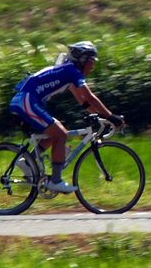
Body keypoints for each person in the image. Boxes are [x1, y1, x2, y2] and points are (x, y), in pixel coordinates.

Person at [9, 41, 124, 194]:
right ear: (82, 61)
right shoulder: (72, 71)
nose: (93, 66)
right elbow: (89, 97)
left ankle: (28, 162)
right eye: (92, 62)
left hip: (24, 100)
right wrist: (111, 116)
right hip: (27, 101)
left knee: (57, 131)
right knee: (61, 134)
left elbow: (83, 102)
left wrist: (98, 116)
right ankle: (55, 181)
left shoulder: (68, 72)